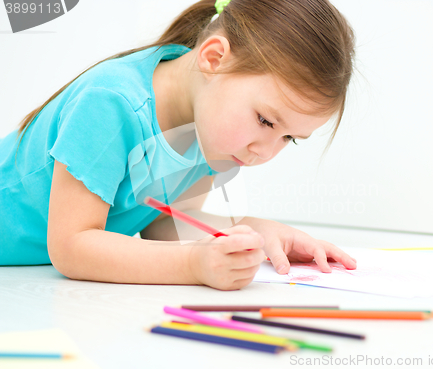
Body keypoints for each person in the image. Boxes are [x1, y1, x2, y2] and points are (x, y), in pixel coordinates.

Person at [0, 0, 357, 290]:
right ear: (214, 59)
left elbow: (162, 224)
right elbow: (71, 246)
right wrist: (193, 264)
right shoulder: (110, 102)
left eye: (289, 138)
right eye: (265, 121)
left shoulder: (212, 128)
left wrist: (255, 232)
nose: (264, 151)